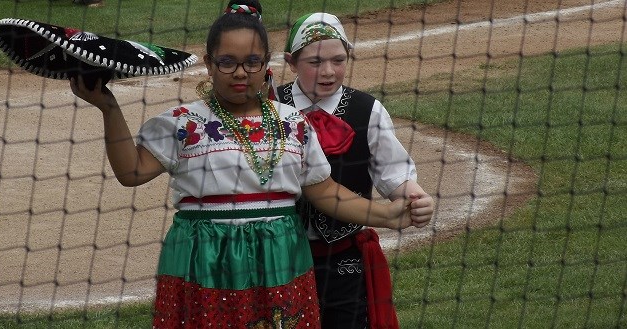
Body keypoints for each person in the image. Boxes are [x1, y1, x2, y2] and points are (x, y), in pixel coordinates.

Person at [70, 2, 420, 327]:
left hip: (280, 260)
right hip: (203, 261)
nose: (241, 73)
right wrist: (108, 107)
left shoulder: (293, 123)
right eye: (227, 62)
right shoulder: (184, 123)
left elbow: (325, 191)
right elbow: (131, 172)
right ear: (209, 63)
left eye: (252, 62)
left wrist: (385, 215)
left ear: (267, 63)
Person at [277, 12, 434, 329]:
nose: (328, 71)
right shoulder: (268, 107)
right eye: (315, 62)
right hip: (279, 258)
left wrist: (415, 196)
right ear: (290, 62)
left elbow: (394, 174)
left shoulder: (367, 110)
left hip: (344, 262)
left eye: (338, 60)